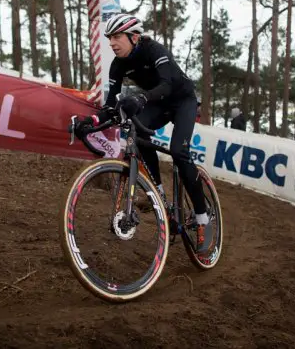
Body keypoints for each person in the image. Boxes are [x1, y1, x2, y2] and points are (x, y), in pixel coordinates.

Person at [74, 13, 214, 253]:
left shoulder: (153, 50)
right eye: (109, 38)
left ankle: (203, 218)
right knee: (136, 129)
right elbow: (110, 106)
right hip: (157, 102)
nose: (112, 43)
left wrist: (141, 98)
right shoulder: (118, 64)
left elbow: (167, 85)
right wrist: (91, 121)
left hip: (182, 101)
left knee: (179, 152)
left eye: (117, 37)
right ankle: (158, 192)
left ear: (134, 36)